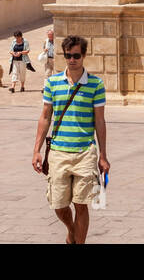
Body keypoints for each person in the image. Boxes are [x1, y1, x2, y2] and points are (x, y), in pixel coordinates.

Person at [32, 35, 108, 244]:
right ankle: (72, 230)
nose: (72, 60)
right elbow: (45, 116)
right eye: (68, 56)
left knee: (81, 204)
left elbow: (100, 122)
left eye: (76, 55)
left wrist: (103, 156)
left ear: (83, 56)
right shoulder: (53, 83)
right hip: (58, 151)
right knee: (58, 204)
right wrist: (36, 150)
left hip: (85, 152)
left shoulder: (96, 84)